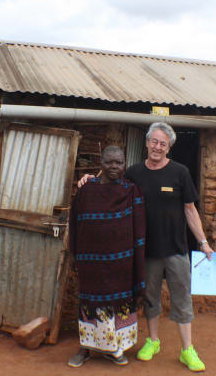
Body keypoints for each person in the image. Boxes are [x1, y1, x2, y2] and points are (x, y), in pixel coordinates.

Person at [79, 122, 214, 372]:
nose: (157, 147)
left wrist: (203, 242)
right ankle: (153, 341)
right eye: (154, 141)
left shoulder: (180, 172)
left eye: (163, 143)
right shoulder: (134, 173)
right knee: (150, 298)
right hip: (146, 251)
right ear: (147, 143)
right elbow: (110, 178)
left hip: (176, 249)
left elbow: (190, 209)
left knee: (182, 298)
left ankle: (187, 350)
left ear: (169, 147)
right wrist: (90, 179)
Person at [67, 146, 146, 367]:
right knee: (90, 305)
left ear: (124, 165)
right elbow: (74, 223)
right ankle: (87, 348)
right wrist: (74, 253)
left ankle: (115, 349)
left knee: (116, 305)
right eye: (109, 162)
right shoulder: (86, 191)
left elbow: (139, 230)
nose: (114, 167)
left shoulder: (131, 191)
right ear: (101, 164)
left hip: (121, 263)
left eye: (119, 162)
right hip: (91, 263)